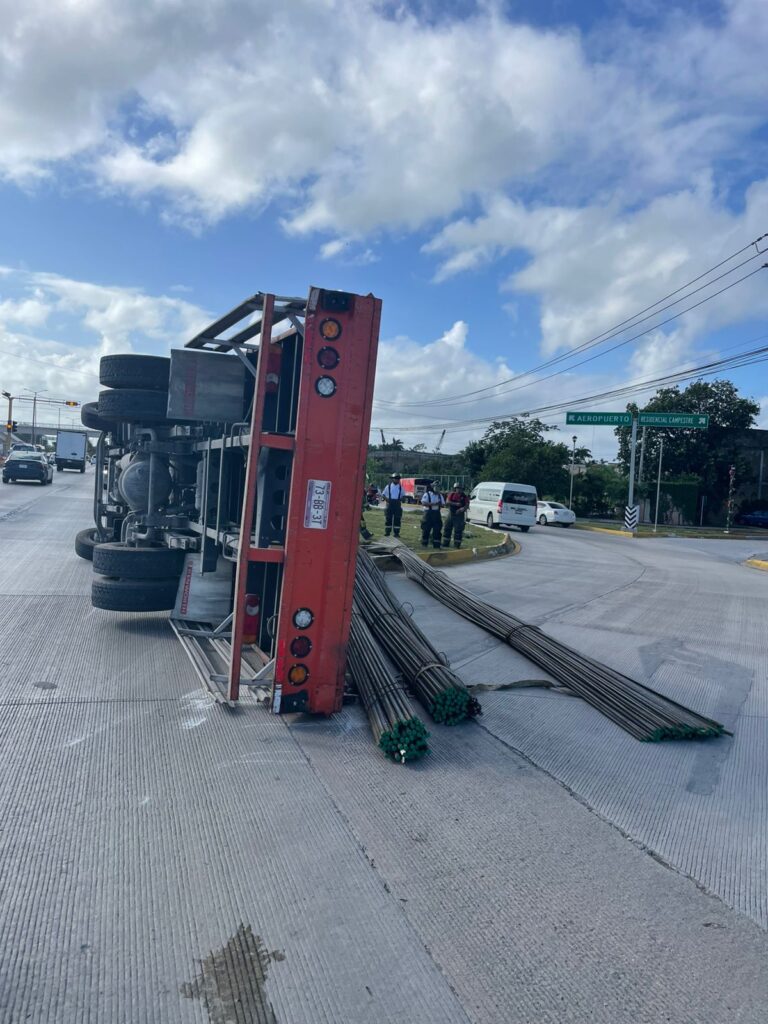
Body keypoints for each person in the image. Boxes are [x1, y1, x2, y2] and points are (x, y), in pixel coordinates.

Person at [442, 482, 470, 549]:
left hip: (459, 515)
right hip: (451, 514)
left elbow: (467, 505)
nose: (459, 490)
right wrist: (455, 504)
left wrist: (461, 509)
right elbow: (447, 502)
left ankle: (457, 545)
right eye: (457, 488)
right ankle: (445, 543)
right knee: (447, 528)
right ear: (455, 489)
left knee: (458, 530)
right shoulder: (452, 494)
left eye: (460, 488)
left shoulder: (464, 496)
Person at [420, 480, 445, 549]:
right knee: (426, 529)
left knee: (437, 530)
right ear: (433, 487)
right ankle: (424, 544)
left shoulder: (440, 495)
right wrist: (434, 504)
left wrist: (440, 504)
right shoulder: (427, 494)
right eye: (436, 487)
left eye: (439, 487)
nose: (437, 488)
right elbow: (423, 503)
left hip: (437, 514)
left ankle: (436, 545)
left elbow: (443, 504)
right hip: (428, 514)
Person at [381, 473, 405, 538]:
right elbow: (383, 494)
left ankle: (396, 533)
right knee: (388, 518)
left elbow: (403, 496)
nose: (397, 480)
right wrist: (386, 499)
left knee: (397, 519)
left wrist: (401, 499)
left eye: (398, 479)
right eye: (395, 478)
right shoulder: (388, 486)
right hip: (389, 504)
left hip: (397, 504)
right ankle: (387, 532)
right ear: (392, 479)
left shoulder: (401, 487)